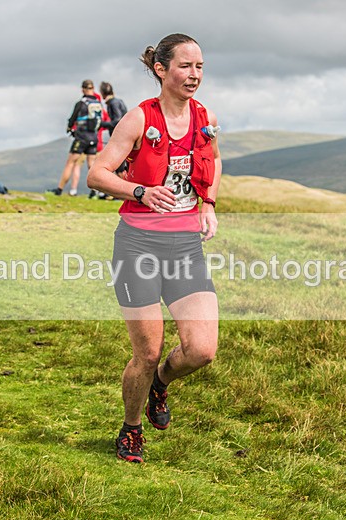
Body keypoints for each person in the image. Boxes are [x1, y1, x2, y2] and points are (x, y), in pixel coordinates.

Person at [88, 33, 221, 463]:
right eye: (185, 66)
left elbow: (214, 161)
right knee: (145, 352)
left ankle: (161, 383)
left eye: (199, 66)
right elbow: (97, 174)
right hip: (139, 244)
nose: (194, 75)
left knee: (201, 350)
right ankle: (130, 429)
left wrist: (209, 204)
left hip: (185, 246)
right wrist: (140, 191)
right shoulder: (138, 120)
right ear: (162, 69)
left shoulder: (205, 118)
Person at [50, 80, 109, 196]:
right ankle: (98, 191)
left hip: (82, 137)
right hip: (94, 137)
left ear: (83, 89)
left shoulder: (81, 103)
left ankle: (59, 189)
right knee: (92, 166)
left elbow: (72, 119)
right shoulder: (98, 104)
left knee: (71, 162)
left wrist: (70, 128)